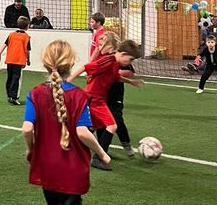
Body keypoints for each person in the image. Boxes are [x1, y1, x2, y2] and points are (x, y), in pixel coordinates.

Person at [22, 40, 110, 205]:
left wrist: (30, 149)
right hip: (72, 166)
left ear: (45, 63)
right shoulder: (79, 95)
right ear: (71, 63)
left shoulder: (34, 94)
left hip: (46, 165)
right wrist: (102, 153)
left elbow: (27, 129)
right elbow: (82, 132)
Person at [67, 40, 143, 171]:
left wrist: (132, 82)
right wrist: (68, 81)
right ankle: (99, 158)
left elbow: (116, 78)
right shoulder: (108, 60)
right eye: (130, 59)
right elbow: (86, 67)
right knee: (112, 125)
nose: (129, 63)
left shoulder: (115, 64)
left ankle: (71, 147)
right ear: (123, 54)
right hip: (93, 98)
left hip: (99, 99)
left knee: (92, 128)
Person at [97, 32, 135, 157]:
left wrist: (114, 73)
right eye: (99, 45)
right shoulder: (101, 58)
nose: (99, 47)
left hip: (115, 96)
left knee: (117, 119)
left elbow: (130, 72)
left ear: (111, 46)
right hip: (101, 95)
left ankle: (126, 143)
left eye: (102, 45)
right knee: (100, 122)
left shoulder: (118, 58)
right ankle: (102, 149)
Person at [0, 16, 31, 105]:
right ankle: (14, 97)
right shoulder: (26, 37)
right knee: (17, 79)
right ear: (27, 26)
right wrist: (28, 60)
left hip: (10, 60)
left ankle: (9, 95)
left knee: (10, 77)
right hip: (19, 61)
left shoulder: (11, 34)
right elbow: (27, 50)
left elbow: (5, 44)